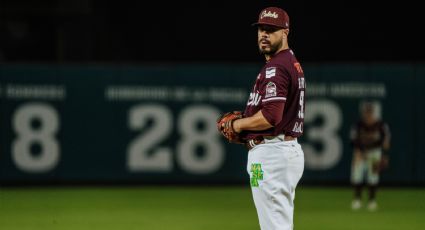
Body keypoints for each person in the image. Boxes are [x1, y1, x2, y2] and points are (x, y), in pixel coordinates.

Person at [223, 6, 306, 229]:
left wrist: (238, 124)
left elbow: (270, 117)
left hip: (273, 153)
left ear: (285, 33)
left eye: (271, 30)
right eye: (261, 29)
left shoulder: (277, 67)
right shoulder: (288, 62)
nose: (264, 35)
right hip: (278, 152)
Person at [350, 101, 391, 211]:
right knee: (357, 175)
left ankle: (372, 201)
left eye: (370, 112)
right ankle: (357, 200)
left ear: (373, 113)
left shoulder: (381, 125)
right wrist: (358, 152)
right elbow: (353, 140)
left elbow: (385, 141)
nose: (368, 114)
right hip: (360, 153)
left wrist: (385, 154)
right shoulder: (358, 125)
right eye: (366, 112)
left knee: (373, 177)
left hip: (374, 153)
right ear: (363, 113)